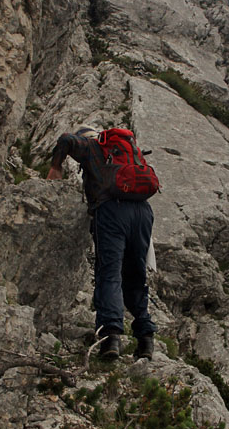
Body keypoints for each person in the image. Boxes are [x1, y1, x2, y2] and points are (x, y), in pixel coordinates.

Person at [47, 126, 156, 361]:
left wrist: (55, 168)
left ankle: (110, 339)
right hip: (143, 212)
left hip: (112, 210)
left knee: (109, 273)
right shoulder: (128, 151)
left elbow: (65, 139)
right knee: (136, 276)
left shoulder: (90, 146)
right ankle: (145, 339)